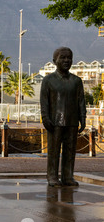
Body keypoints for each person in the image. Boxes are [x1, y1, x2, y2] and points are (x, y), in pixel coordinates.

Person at [40, 47, 86, 187]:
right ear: (55, 61)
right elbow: (44, 101)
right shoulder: (48, 80)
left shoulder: (76, 81)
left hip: (72, 121)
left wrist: (83, 118)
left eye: (69, 58)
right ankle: (52, 176)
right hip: (55, 122)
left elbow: (81, 101)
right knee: (53, 151)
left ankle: (68, 176)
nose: (66, 60)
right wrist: (45, 117)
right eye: (63, 57)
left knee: (70, 151)